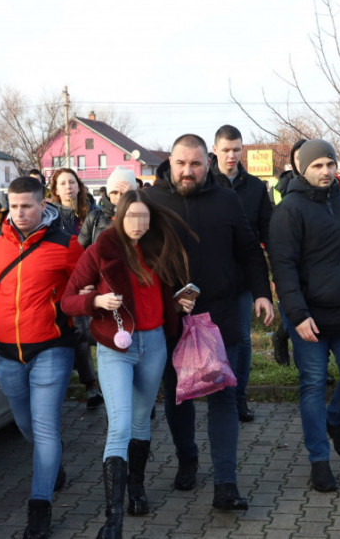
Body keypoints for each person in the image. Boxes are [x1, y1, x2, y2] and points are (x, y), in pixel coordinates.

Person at [144, 133, 274, 510]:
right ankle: (187, 457)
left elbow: (250, 251)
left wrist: (262, 292)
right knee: (177, 395)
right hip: (170, 316)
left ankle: (226, 483)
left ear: (208, 163)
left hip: (219, 315)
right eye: (181, 163)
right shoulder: (151, 201)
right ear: (170, 162)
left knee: (223, 396)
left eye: (196, 164)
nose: (188, 171)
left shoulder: (226, 199)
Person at [62, 190, 194, 539]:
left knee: (140, 421)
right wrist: (97, 300)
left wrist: (182, 306)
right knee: (119, 424)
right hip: (115, 346)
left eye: (143, 217)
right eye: (131, 216)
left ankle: (136, 490)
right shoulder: (101, 249)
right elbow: (68, 301)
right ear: (119, 216)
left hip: (154, 345)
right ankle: (113, 518)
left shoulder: (159, 247)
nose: (137, 224)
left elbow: (176, 291)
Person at [0, 177, 83, 539]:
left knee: (45, 429)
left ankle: (40, 506)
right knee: (26, 424)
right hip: (6, 353)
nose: (19, 213)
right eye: (14, 206)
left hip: (51, 347)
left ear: (42, 204)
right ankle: (53, 464)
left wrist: (77, 305)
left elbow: (85, 282)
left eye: (27, 206)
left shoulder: (65, 244)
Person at [269, 139, 340, 492]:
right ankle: (319, 461)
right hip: (309, 317)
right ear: (302, 169)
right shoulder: (290, 210)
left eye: (330, 164)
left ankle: (336, 420)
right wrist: (297, 315)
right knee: (313, 385)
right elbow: (283, 268)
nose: (326, 171)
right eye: (317, 166)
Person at [209, 124, 273, 423]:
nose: (232, 155)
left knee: (242, 339)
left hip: (243, 273)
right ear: (215, 150)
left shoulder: (256, 187)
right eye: (226, 150)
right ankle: (212, 392)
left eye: (237, 149)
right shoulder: (204, 180)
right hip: (208, 272)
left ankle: (238, 396)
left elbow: (268, 231)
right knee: (209, 336)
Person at [47, 167, 103, 408]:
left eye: (72, 182)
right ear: (56, 190)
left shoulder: (93, 212)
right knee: (79, 331)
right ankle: (90, 385)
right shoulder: (50, 215)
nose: (68, 187)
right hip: (67, 281)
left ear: (79, 186)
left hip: (95, 278)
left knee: (101, 331)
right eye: (63, 183)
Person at [270, 139, 307, 366]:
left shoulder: (326, 183)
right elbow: (275, 229)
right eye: (299, 156)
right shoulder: (281, 189)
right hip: (289, 260)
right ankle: (281, 337)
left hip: (318, 264)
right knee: (292, 315)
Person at [79, 167, 136, 248]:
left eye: (124, 193)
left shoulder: (141, 216)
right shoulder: (94, 217)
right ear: (109, 194)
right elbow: (80, 250)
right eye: (114, 192)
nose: (119, 197)